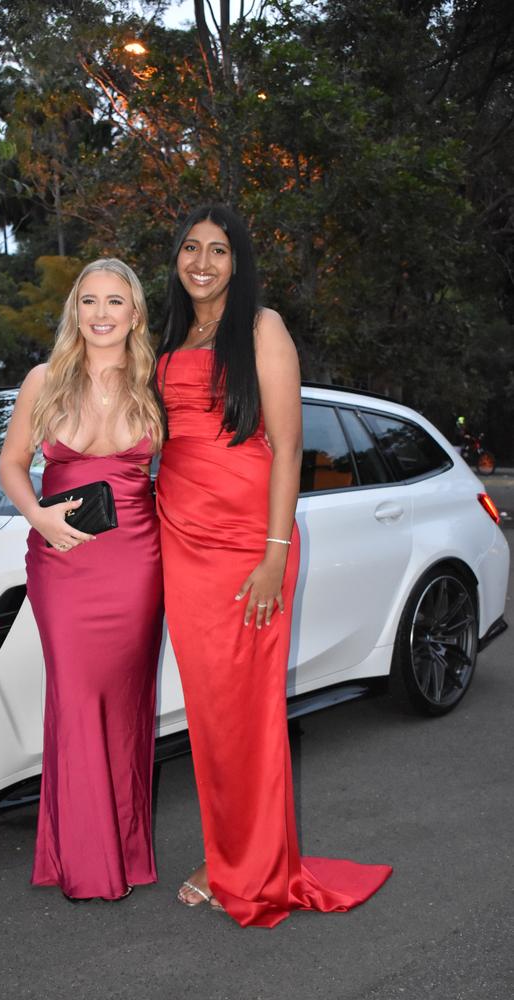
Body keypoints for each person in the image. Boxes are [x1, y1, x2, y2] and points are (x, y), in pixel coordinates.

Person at [155, 205, 392, 928]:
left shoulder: (262, 328)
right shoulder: (169, 336)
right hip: (179, 535)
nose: (202, 261)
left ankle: (247, 865)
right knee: (209, 712)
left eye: (218, 250)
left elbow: (288, 448)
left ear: (239, 261)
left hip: (247, 543)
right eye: (191, 248)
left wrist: (273, 555)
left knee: (245, 712)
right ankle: (229, 851)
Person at [0, 258, 164, 902]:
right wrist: (37, 514)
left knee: (124, 705)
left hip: (136, 564)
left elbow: (189, 474)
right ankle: (83, 857)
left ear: (135, 313)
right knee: (73, 697)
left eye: (115, 301)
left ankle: (121, 851)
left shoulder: (156, 383)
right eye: (89, 300)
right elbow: (13, 463)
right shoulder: (44, 380)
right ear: (76, 310)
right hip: (60, 562)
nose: (101, 313)